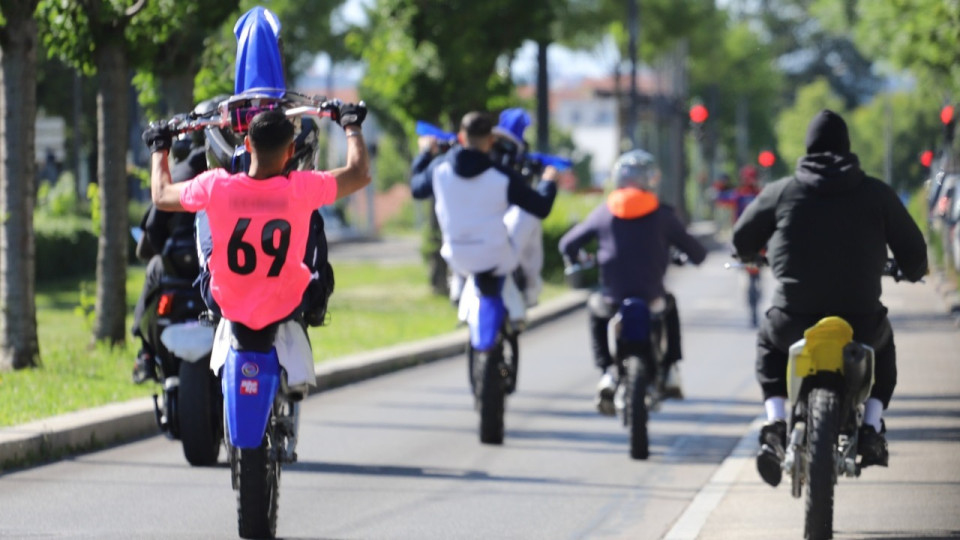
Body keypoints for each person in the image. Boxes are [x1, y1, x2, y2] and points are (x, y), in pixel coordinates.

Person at [732, 109, 928, 487]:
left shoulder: (782, 191)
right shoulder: (877, 193)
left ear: (808, 147)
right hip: (860, 323)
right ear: (847, 147)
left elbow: (742, 240)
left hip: (792, 321)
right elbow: (915, 254)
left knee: (767, 341)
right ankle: (870, 428)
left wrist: (748, 254)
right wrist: (911, 270)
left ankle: (774, 423)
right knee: (883, 349)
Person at [142, 105, 370, 338]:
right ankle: (318, 307)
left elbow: (161, 195)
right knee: (313, 217)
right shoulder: (303, 188)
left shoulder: (214, 186)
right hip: (289, 304)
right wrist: (351, 125)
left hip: (224, 303)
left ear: (248, 145)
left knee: (203, 211)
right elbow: (359, 173)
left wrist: (159, 146)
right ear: (291, 150)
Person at [558, 149, 706, 413]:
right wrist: (690, 257)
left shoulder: (604, 213)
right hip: (652, 297)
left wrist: (581, 258)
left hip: (613, 299)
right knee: (670, 305)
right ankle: (671, 367)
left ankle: (606, 371)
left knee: (595, 309)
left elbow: (567, 243)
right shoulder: (663, 215)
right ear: (650, 180)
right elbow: (697, 252)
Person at [409, 111, 558, 301]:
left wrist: (424, 154)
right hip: (497, 259)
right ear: (490, 140)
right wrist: (548, 182)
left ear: (461, 137)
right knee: (528, 216)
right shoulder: (502, 176)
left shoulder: (439, 168)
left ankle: (458, 282)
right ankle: (531, 289)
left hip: (456, 257)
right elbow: (541, 207)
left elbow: (417, 189)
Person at [131, 144, 207, 383]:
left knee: (153, 267)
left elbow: (152, 232)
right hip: (218, 267)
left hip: (178, 266)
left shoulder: (175, 177)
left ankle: (144, 351)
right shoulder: (231, 174)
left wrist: (163, 249)